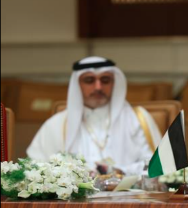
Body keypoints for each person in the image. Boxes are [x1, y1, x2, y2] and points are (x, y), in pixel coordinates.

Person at [27, 56, 161, 175]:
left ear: (114, 83)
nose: (98, 87)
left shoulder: (137, 118)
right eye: (89, 80)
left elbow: (158, 165)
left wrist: (123, 172)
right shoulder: (56, 124)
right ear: (77, 85)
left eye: (105, 80)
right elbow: (36, 169)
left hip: (131, 198)